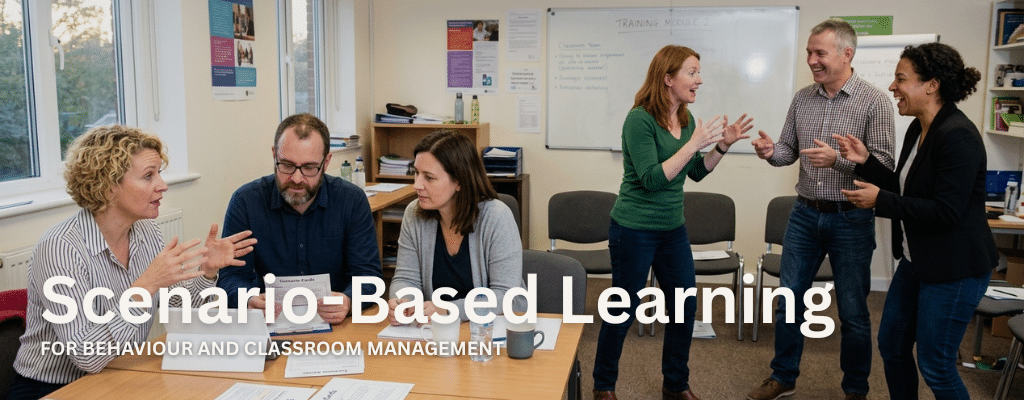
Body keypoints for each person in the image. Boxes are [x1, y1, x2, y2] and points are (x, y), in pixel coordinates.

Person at [8, 126, 256, 400]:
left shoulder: (146, 232)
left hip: (118, 374)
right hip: (52, 389)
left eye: (159, 173)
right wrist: (145, 286)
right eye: (148, 176)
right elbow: (86, 356)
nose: (162, 185)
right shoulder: (60, 248)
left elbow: (178, 307)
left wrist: (208, 273)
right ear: (108, 186)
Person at [592, 45, 753, 400]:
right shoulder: (639, 120)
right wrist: (693, 142)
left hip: (672, 230)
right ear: (668, 79)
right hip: (633, 228)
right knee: (624, 307)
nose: (699, 80)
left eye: (699, 72)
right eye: (692, 72)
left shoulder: (687, 119)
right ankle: (603, 387)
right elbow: (652, 178)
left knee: (685, 305)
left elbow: (694, 172)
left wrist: (721, 147)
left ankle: (675, 385)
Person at [835, 43, 995, 399]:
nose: (892, 87)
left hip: (954, 268)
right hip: (916, 260)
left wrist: (881, 201)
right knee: (892, 345)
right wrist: (866, 162)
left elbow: (944, 212)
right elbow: (904, 187)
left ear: (932, 85)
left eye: (900, 79)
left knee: (936, 364)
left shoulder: (957, 136)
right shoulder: (918, 128)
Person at [746, 19, 895, 400]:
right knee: (788, 302)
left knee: (853, 313)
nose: (811, 60)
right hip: (804, 214)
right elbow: (786, 152)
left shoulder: (875, 101)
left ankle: (855, 389)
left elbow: (885, 167)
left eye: (819, 53)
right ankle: (783, 378)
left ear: (847, 54)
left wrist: (840, 162)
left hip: (851, 218)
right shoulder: (802, 98)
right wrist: (769, 153)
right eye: (809, 52)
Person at [218, 113, 382, 324]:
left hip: (335, 324)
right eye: (286, 165)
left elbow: (368, 276)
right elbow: (231, 277)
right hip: (268, 323)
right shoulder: (246, 202)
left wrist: (349, 300)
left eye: (309, 168)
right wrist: (248, 299)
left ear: (326, 162)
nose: (296, 178)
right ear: (274, 155)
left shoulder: (351, 200)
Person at [386, 130, 524, 323]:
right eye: (416, 173)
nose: (417, 185)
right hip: (436, 331)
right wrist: (405, 302)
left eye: (429, 177)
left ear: (458, 181)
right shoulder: (414, 214)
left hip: (491, 329)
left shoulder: (496, 216)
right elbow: (406, 278)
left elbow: (505, 295)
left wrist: (449, 310)